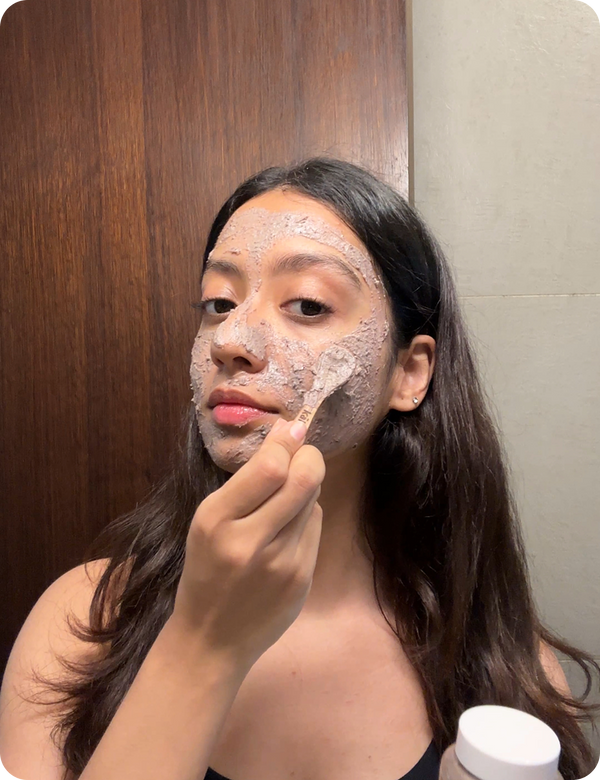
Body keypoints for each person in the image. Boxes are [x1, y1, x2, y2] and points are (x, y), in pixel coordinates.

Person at [0, 158, 598, 780]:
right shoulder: (79, 627)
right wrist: (201, 645)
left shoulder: (505, 677)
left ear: (409, 373)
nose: (230, 339)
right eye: (218, 302)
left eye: (308, 304)